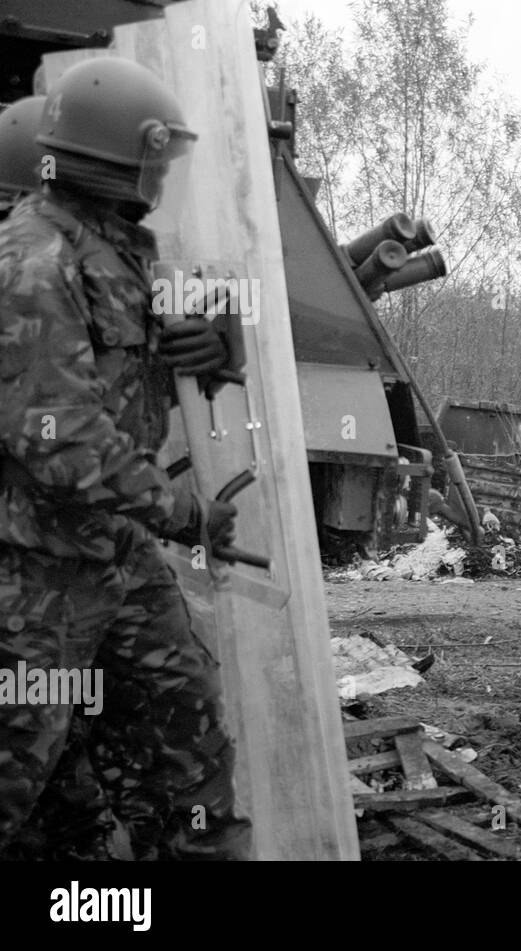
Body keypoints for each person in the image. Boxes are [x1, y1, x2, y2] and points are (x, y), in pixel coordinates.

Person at [0, 57, 251, 860]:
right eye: (159, 160)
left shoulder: (115, 248)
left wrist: (218, 348)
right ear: (123, 158)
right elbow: (61, 440)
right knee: (17, 774)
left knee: (187, 742)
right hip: (38, 571)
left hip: (118, 553)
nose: (164, 177)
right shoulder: (34, 263)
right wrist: (184, 513)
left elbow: (152, 366)